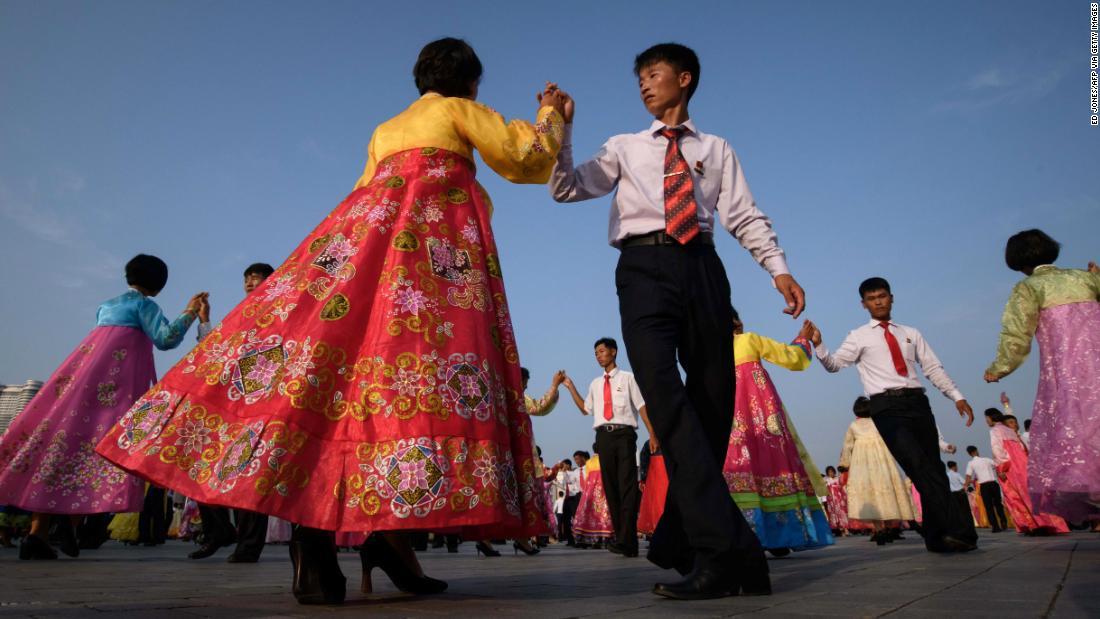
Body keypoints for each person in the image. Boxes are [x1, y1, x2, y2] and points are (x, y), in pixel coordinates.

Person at [95, 38, 566, 604]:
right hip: (425, 264)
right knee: (405, 387)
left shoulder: (385, 129)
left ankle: (319, 542)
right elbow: (528, 159)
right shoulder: (458, 110)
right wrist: (551, 116)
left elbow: (363, 190)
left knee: (330, 383)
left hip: (360, 246)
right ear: (470, 83)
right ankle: (387, 541)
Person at [548, 42, 806, 600]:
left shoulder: (715, 148)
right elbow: (567, 188)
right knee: (665, 397)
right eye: (639, 77)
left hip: (704, 268)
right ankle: (727, 552)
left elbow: (742, 213)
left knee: (714, 405)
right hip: (642, 269)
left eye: (654, 75)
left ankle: (679, 538)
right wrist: (565, 133)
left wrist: (777, 269)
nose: (644, 85)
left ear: (683, 79)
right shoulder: (623, 146)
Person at [0, 254, 204, 560]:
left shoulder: (106, 307)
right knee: (96, 452)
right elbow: (166, 339)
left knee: (58, 451)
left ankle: (37, 533)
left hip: (80, 384)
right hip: (114, 391)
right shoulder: (145, 306)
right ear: (159, 285)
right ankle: (70, 525)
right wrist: (190, 312)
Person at [810, 277, 978, 553]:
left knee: (933, 467)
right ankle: (954, 530)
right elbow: (834, 364)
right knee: (917, 465)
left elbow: (933, 368)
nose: (878, 301)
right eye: (872, 298)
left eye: (882, 296)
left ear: (891, 298)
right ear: (863, 304)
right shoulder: (859, 336)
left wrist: (957, 396)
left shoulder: (911, 332)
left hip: (918, 402)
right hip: (886, 407)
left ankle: (938, 537)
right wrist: (819, 344)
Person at [984, 230, 1099, 526]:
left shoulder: (1029, 288)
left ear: (1016, 262)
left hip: (1068, 371)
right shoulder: (1085, 278)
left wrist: (1000, 367)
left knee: (1077, 426)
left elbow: (1016, 333)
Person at [724, 311, 833, 552]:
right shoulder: (749, 339)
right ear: (738, 324)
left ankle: (745, 537)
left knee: (738, 473)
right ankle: (781, 536)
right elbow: (791, 357)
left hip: (731, 423)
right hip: (762, 418)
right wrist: (803, 339)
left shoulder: (710, 354)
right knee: (773, 468)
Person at [190, 263, 275, 563]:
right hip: (230, 400)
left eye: (256, 277)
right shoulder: (240, 313)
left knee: (250, 475)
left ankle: (248, 545)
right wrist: (205, 321)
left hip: (263, 401)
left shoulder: (282, 309)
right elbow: (216, 350)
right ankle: (218, 530)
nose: (249, 283)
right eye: (246, 279)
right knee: (203, 461)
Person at [562, 337, 650, 558]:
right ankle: (623, 540)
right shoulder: (595, 384)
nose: (599, 356)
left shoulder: (628, 378)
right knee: (611, 490)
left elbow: (641, 406)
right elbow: (586, 409)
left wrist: (653, 434)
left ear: (614, 352)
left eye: (602, 351)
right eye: (596, 353)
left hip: (625, 435)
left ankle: (629, 540)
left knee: (627, 488)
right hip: (603, 438)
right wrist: (571, 387)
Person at [839, 397, 916, 545]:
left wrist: (844, 464)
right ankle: (888, 528)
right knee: (886, 493)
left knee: (870, 494)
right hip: (882, 460)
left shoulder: (854, 425)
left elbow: (847, 445)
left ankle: (878, 529)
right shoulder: (879, 422)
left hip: (862, 463)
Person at [984, 409, 1069, 535]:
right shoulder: (1009, 430)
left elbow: (997, 449)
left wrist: (1001, 468)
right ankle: (1046, 523)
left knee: (1018, 496)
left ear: (991, 417)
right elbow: (1022, 447)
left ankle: (1035, 525)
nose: (986, 421)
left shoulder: (995, 431)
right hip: (1023, 463)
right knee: (1030, 493)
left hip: (1011, 465)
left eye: (986, 418)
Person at [571, 446, 614, 548]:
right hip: (603, 491)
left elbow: (587, 480)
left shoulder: (589, 462)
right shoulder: (606, 459)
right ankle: (605, 539)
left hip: (589, 492)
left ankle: (592, 540)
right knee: (604, 515)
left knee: (590, 515)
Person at [964, 446, 1007, 532]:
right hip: (994, 484)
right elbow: (998, 467)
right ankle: (1003, 521)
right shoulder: (987, 460)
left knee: (989, 507)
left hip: (984, 487)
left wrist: (965, 486)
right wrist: (1001, 474)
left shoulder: (971, 463)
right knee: (998, 504)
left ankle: (995, 526)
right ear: (976, 451)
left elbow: (968, 476)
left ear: (969, 454)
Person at [823, 466, 849, 535]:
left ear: (834, 471)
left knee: (842, 512)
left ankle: (845, 529)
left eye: (832, 471)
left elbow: (842, 487)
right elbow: (825, 489)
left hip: (839, 498)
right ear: (827, 473)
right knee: (834, 513)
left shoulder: (838, 478)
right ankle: (840, 529)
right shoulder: (826, 480)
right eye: (829, 472)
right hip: (832, 499)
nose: (831, 473)